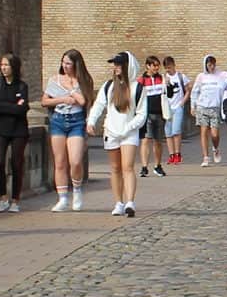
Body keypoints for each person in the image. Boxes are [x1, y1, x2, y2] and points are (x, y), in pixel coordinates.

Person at [87, 52, 144, 216]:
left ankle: (130, 202)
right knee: (115, 167)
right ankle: (118, 202)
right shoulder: (109, 86)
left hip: (129, 132)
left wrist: (129, 127)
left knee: (128, 166)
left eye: (119, 64)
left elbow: (141, 113)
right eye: (115, 64)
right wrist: (91, 121)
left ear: (127, 66)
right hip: (111, 131)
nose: (116, 67)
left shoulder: (137, 88)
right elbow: (99, 105)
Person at [43, 48, 93, 211]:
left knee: (75, 160)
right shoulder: (55, 79)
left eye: (68, 63)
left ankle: (77, 189)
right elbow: (45, 101)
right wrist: (62, 99)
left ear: (76, 65)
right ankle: (62, 198)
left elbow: (84, 101)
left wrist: (72, 90)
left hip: (77, 121)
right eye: (63, 62)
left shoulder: (84, 80)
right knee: (59, 162)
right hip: (58, 120)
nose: (65, 66)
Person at [0, 52, 31, 212]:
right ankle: (3, 197)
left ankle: (15, 199)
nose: (3, 68)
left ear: (14, 67)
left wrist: (3, 106)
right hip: (0, 129)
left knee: (16, 163)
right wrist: (11, 106)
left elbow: (22, 109)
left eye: (6, 65)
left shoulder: (22, 86)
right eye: (2, 65)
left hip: (18, 130)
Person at [190, 54, 227, 166]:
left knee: (214, 134)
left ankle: (215, 148)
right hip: (202, 106)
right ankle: (205, 157)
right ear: (206, 65)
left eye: (213, 64)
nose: (211, 67)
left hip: (215, 107)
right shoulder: (201, 77)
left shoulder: (221, 75)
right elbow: (194, 91)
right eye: (209, 65)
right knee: (203, 132)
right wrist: (193, 106)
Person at [138, 53, 169, 178]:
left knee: (158, 141)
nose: (156, 68)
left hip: (160, 114)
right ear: (148, 66)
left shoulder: (161, 78)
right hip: (146, 114)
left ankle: (157, 165)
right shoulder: (141, 80)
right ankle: (144, 167)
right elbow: (137, 97)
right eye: (154, 65)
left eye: (158, 65)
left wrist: (168, 85)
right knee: (146, 140)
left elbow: (169, 94)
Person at [162, 56, 188, 163]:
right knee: (168, 132)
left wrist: (182, 102)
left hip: (177, 106)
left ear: (173, 65)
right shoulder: (163, 78)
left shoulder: (181, 76)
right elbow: (163, 93)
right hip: (167, 108)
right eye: (166, 68)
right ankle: (171, 154)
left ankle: (178, 154)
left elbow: (187, 90)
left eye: (169, 67)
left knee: (176, 131)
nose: (168, 69)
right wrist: (166, 83)